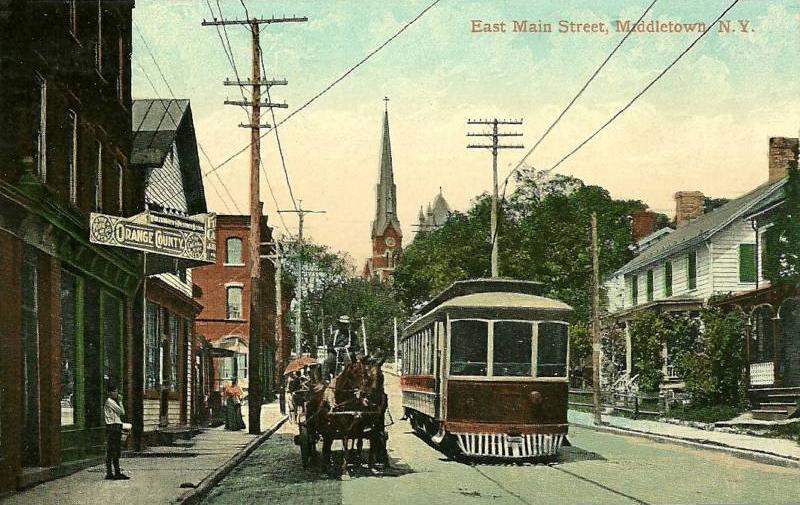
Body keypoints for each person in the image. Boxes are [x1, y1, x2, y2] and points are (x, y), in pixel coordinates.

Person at [104, 383, 129, 480]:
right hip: (113, 427)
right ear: (109, 392)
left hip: (114, 426)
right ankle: (116, 473)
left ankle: (110, 472)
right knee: (114, 450)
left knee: (112, 450)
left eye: (116, 391)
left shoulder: (111, 402)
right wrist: (121, 401)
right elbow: (122, 412)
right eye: (114, 391)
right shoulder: (110, 402)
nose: (116, 393)